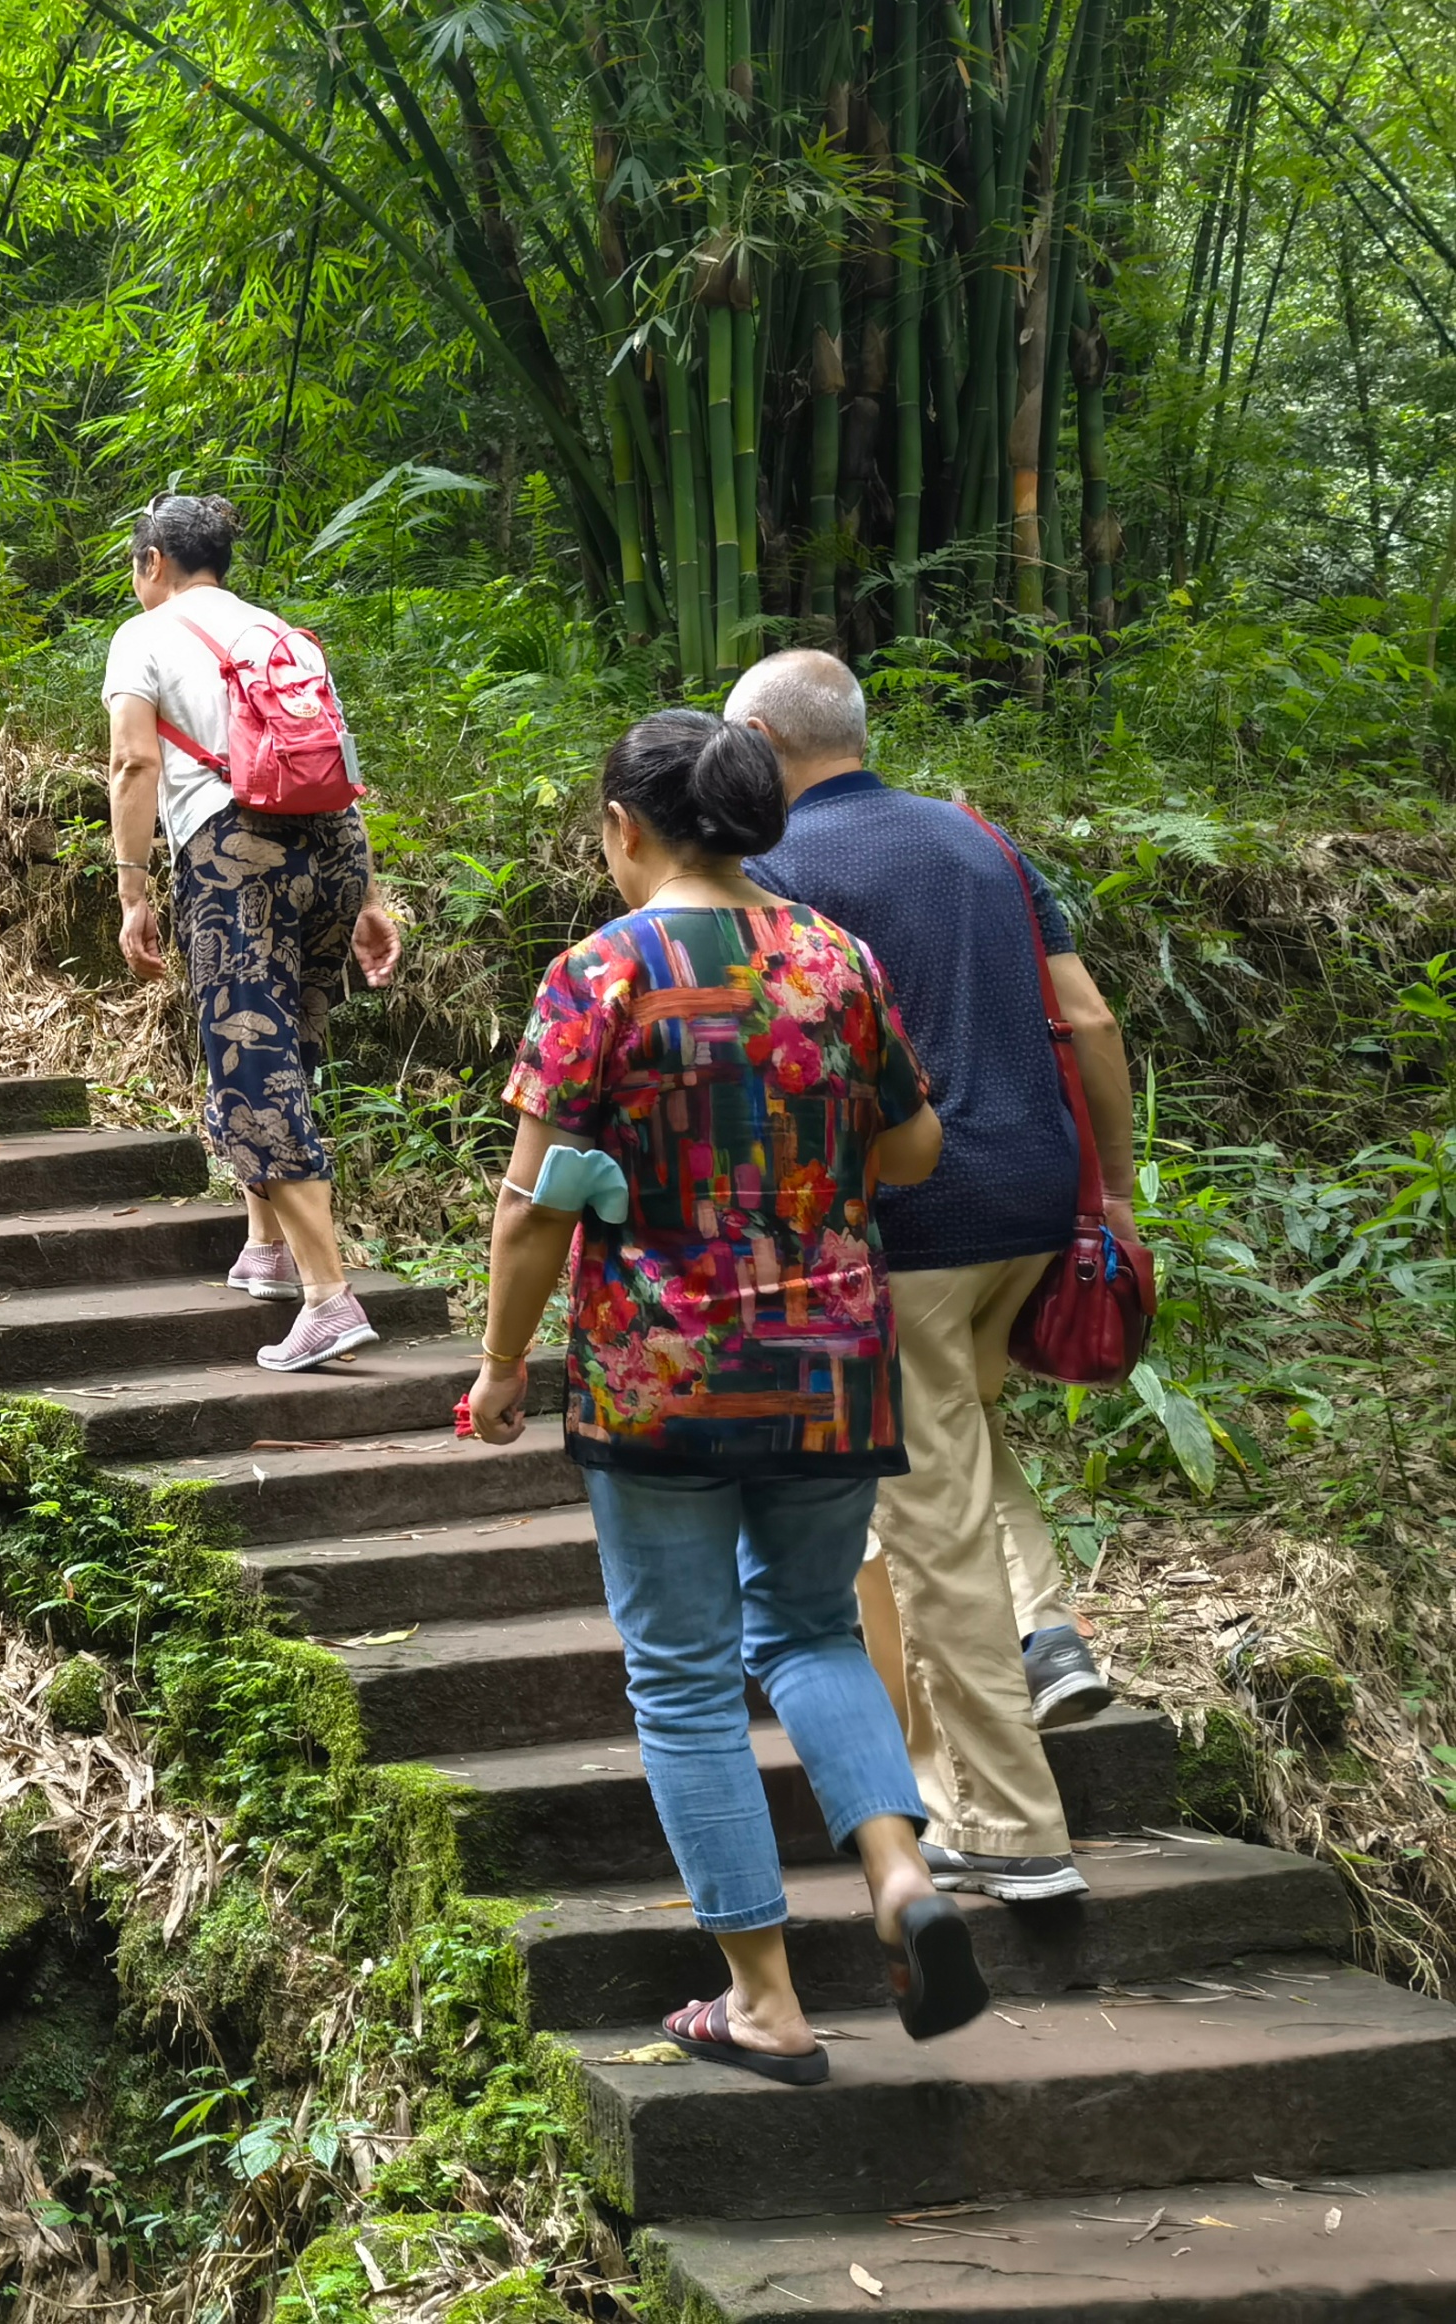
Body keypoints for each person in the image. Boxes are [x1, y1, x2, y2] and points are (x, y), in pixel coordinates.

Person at [463, 709, 985, 2076]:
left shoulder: (598, 974)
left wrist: (503, 1362)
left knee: (684, 1679)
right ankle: (892, 1872)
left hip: (660, 1371)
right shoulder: (835, 960)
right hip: (829, 1360)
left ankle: (760, 1999)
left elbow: (528, 1212)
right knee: (809, 1627)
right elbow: (916, 1144)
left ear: (622, 829)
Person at [729, 646, 1135, 1903]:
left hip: (907, 1218)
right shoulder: (981, 844)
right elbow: (1096, 1021)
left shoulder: (774, 874)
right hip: (1033, 1199)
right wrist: (1111, 1194)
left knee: (931, 1528)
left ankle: (1013, 1832)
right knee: (951, 1440)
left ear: (758, 748)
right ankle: (1043, 1621)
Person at [103, 494, 402, 1372]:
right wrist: (369, 898)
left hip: (236, 854)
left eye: (134, 564)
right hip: (333, 851)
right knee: (289, 1042)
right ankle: (265, 1248)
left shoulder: (144, 634)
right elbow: (339, 764)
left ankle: (327, 1296)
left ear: (153, 561)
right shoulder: (282, 633)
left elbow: (131, 760)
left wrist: (131, 890)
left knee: (249, 1058)